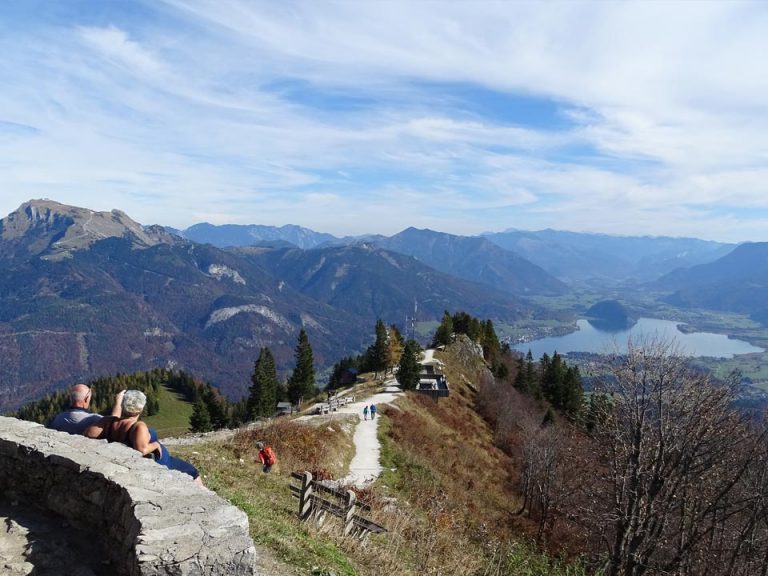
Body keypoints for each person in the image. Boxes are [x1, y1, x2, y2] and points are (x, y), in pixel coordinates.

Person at [84, 390, 204, 487]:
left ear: (123, 406)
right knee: (192, 472)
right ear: (141, 409)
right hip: (162, 463)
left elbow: (87, 434)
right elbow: (142, 449)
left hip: (136, 461)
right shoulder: (138, 426)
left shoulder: (108, 422)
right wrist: (156, 445)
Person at [49, 384, 123, 435]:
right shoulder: (94, 419)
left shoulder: (58, 419)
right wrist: (118, 403)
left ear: (70, 398)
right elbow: (113, 424)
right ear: (86, 398)